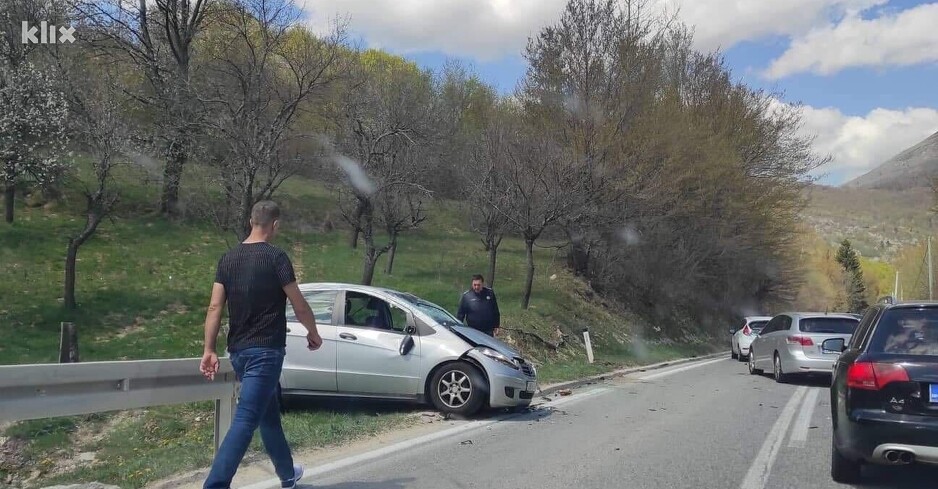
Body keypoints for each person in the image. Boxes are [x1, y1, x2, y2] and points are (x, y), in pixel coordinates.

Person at [199, 200, 323, 489]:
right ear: (275, 225)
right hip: (265, 352)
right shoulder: (277, 258)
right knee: (246, 419)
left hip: (239, 351)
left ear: (251, 221)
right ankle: (215, 485)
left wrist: (209, 349)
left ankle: (288, 475)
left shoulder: (227, 259)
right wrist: (313, 332)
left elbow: (214, 308)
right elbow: (299, 304)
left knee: (267, 416)